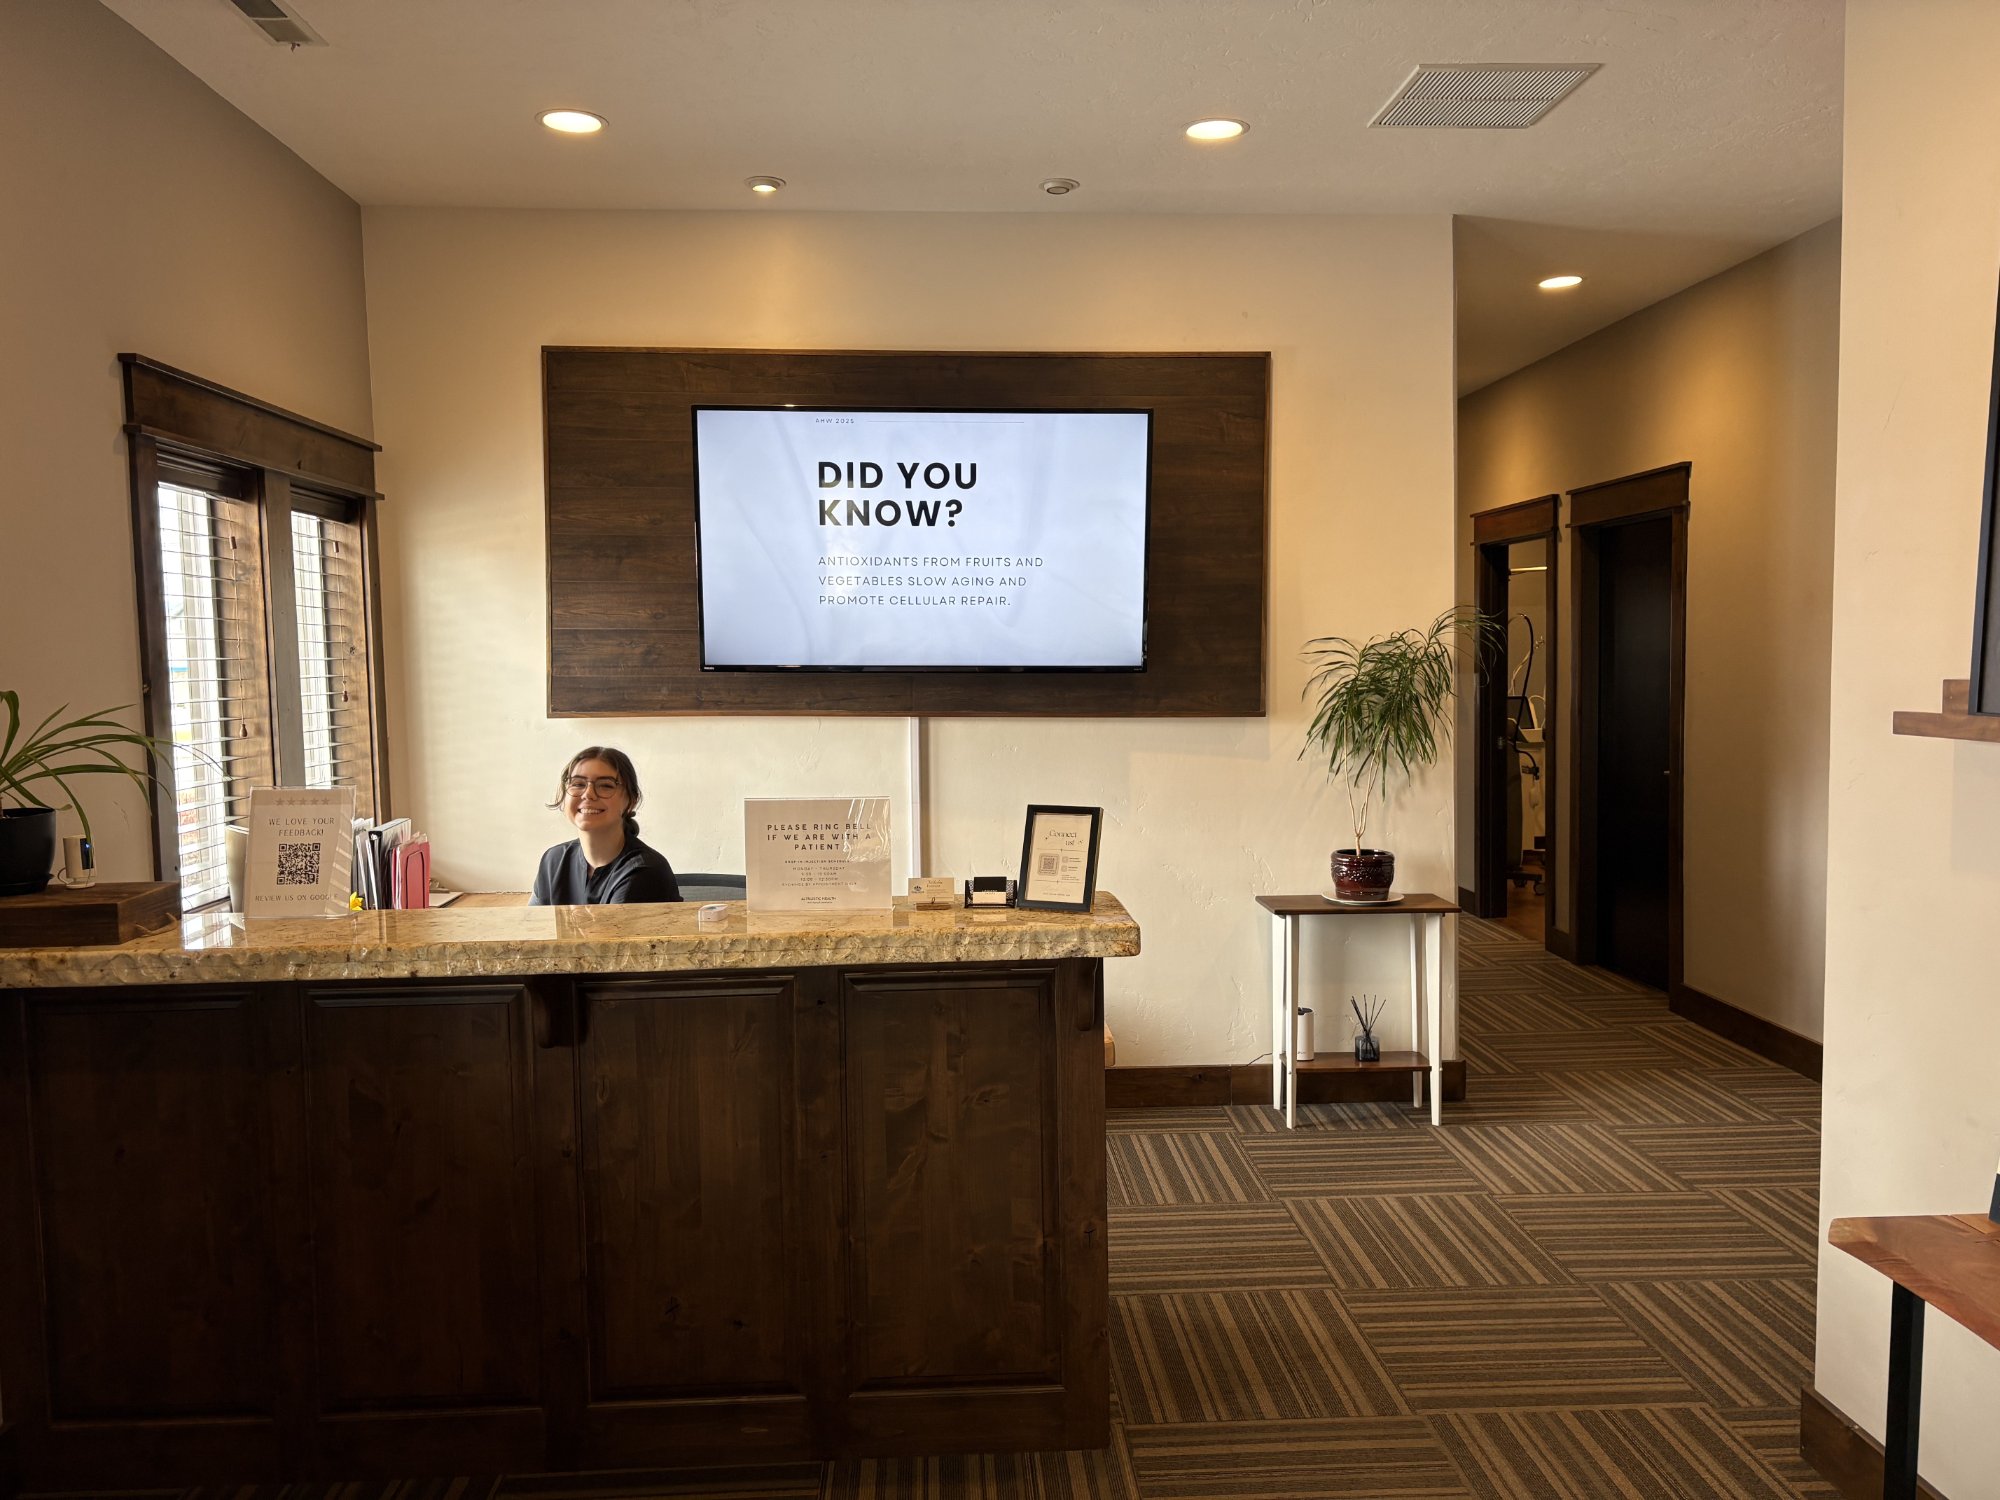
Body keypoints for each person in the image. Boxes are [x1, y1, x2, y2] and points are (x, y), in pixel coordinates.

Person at [530, 746, 681, 905]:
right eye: (578, 783)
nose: (588, 794)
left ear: (630, 801)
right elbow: (533, 926)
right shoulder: (554, 860)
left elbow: (606, 930)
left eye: (606, 785)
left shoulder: (645, 872)